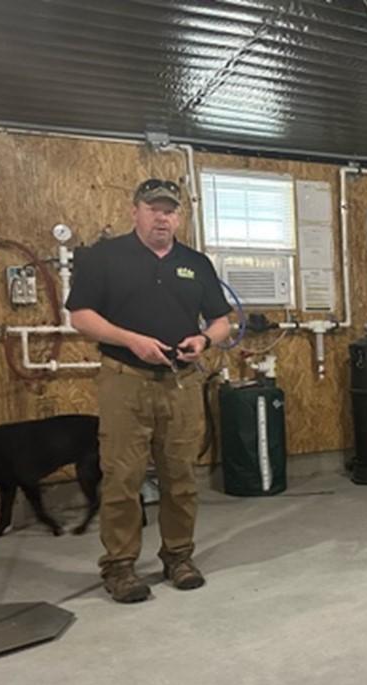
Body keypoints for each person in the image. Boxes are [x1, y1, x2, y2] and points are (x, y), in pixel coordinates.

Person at [66, 178, 232, 603]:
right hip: (126, 379)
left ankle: (178, 557)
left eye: (170, 210)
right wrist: (130, 339)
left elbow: (221, 320)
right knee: (123, 476)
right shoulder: (106, 257)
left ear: (179, 216)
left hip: (181, 383)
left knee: (181, 477)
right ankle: (120, 566)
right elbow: (81, 317)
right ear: (135, 210)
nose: (163, 217)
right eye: (154, 208)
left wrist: (205, 340)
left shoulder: (196, 263)